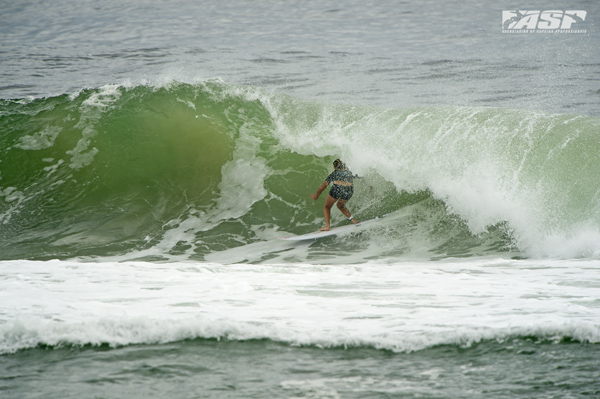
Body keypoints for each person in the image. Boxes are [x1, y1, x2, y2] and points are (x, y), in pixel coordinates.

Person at [310, 159, 359, 231]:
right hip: (349, 191)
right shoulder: (349, 172)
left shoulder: (334, 173)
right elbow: (361, 176)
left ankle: (327, 226)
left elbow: (321, 188)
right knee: (340, 205)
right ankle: (353, 220)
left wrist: (316, 196)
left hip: (337, 190)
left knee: (327, 207)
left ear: (334, 167)